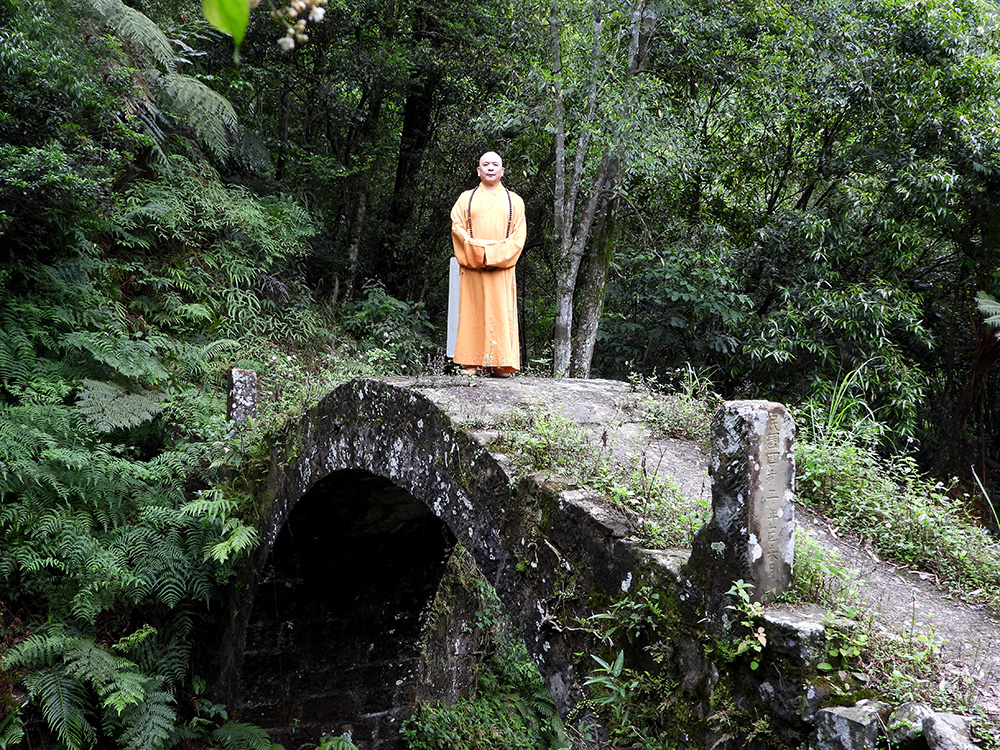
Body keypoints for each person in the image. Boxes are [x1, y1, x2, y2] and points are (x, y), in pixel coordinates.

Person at [449, 151, 527, 377]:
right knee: (472, 311)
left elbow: (518, 238)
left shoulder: (515, 201)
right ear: (478, 171)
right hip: (473, 266)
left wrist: (491, 255)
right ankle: (470, 361)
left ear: (502, 171)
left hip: (501, 269)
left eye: (495, 164)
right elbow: (457, 227)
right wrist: (478, 253)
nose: (490, 168)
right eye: (486, 164)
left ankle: (500, 363)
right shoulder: (466, 199)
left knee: (500, 312)